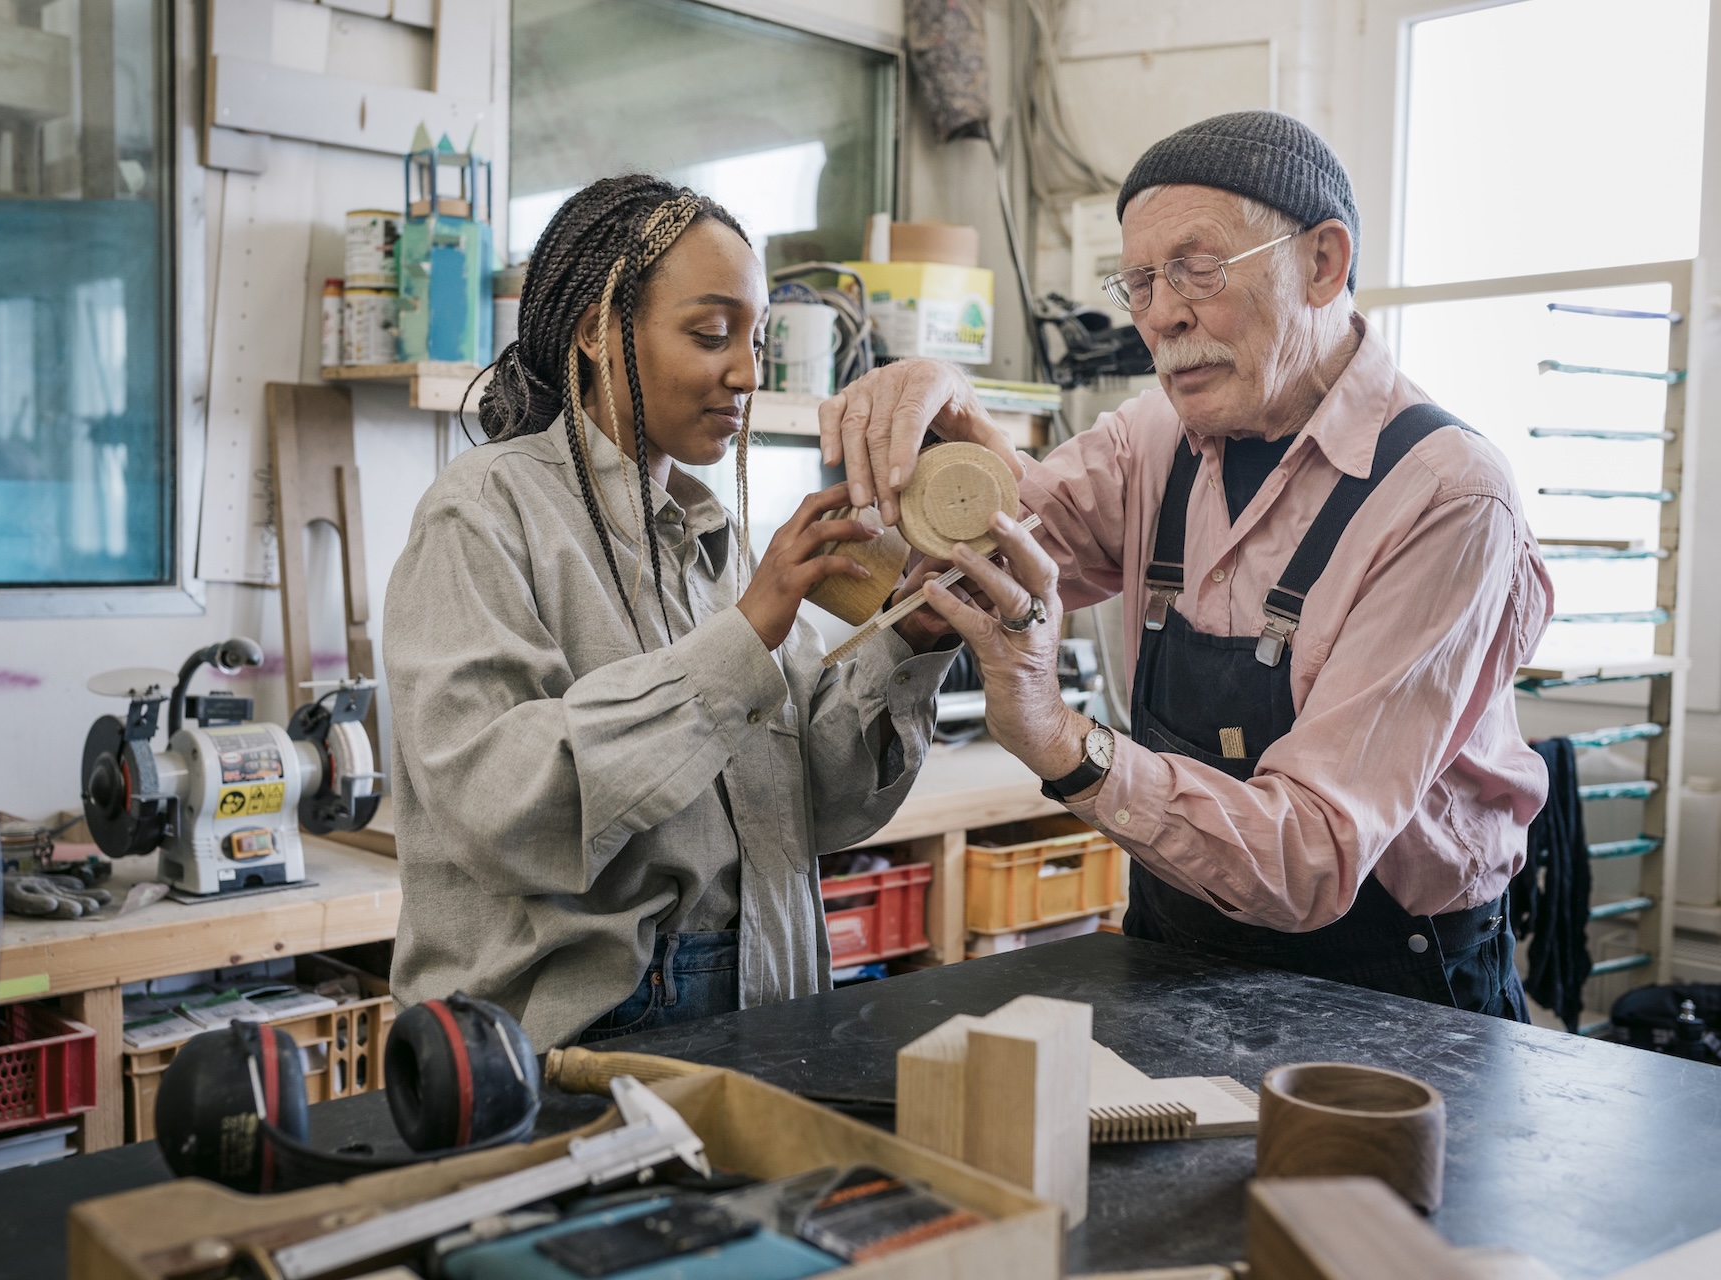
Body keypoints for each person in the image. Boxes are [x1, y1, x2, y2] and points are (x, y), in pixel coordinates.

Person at [819, 111, 1553, 1019]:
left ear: (1323, 263)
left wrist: (1061, 738)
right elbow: (1002, 554)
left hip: (1389, 986)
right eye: (1138, 282)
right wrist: (952, 425)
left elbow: (1311, 855)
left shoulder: (1446, 498)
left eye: (1198, 270)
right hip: (1177, 941)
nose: (1162, 313)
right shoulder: (1154, 441)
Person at [384, 175, 959, 1049]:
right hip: (582, 1029)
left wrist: (913, 634)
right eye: (711, 333)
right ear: (595, 330)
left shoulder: (716, 544)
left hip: (766, 985)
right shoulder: (485, 510)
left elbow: (824, 805)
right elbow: (498, 809)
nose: (748, 372)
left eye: (758, 338)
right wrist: (747, 636)